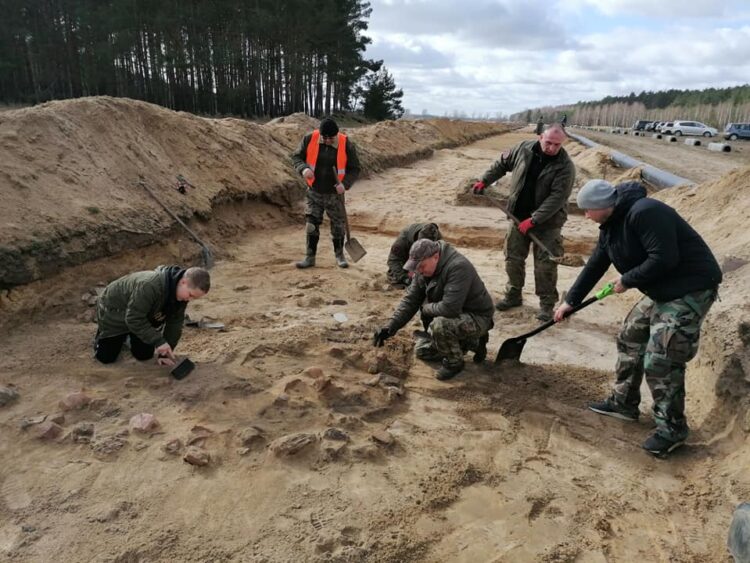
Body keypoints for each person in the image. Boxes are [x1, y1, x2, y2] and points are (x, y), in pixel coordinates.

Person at [554, 179, 722, 457]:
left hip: (690, 287)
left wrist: (627, 280)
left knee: (661, 357)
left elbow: (665, 257)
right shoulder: (610, 225)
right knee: (630, 335)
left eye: (587, 210)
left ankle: (672, 429)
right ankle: (624, 403)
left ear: (603, 206)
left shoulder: (644, 213)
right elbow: (597, 263)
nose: (585, 215)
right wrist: (570, 301)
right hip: (662, 288)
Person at [472, 124, 575, 322]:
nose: (552, 148)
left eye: (557, 145)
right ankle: (513, 295)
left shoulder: (565, 166)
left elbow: (557, 198)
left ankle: (546, 305)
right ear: (540, 137)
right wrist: (484, 180)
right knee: (513, 257)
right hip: (518, 216)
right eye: (548, 142)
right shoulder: (522, 149)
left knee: (545, 265)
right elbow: (501, 164)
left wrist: (534, 219)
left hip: (547, 223)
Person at [373, 239, 495, 380]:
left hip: (477, 317)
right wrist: (390, 327)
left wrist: (425, 308)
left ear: (436, 257)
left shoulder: (458, 267)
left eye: (422, 266)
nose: (418, 271)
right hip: (455, 316)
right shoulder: (423, 270)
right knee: (422, 351)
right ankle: (472, 343)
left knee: (440, 326)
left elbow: (450, 309)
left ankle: (454, 363)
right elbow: (411, 300)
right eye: (416, 267)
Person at [94, 265, 210, 366]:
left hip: (140, 313)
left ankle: (129, 336)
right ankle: (106, 334)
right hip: (115, 311)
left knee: (144, 355)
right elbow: (133, 319)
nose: (189, 300)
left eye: (194, 298)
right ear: (183, 282)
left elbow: (175, 324)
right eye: (190, 295)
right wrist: (159, 341)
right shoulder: (150, 285)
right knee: (106, 358)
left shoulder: (181, 296)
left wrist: (165, 353)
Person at [291, 117, 361, 269]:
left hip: (335, 195)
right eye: (325, 138)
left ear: (336, 134)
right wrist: (303, 168)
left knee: (338, 226)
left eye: (331, 138)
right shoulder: (309, 139)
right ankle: (310, 257)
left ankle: (339, 255)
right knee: (311, 225)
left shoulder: (346, 143)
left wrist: (345, 184)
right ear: (320, 134)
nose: (328, 140)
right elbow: (296, 157)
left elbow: (355, 168)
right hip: (314, 192)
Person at [387, 222, 442, 287]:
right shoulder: (402, 241)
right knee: (395, 277)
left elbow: (440, 261)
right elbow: (393, 261)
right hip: (406, 261)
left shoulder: (437, 239)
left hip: (423, 264)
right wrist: (405, 278)